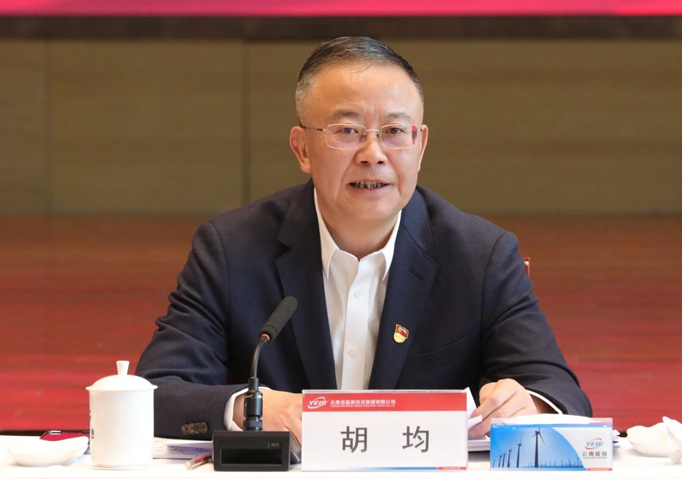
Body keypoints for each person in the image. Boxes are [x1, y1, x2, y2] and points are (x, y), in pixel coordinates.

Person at [136, 36, 592, 443]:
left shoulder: (480, 255)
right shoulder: (232, 250)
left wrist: (526, 405)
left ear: (420, 145)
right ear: (302, 149)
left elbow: (558, 391)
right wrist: (252, 408)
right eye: (347, 131)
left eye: (394, 132)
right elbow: (156, 393)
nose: (373, 155)